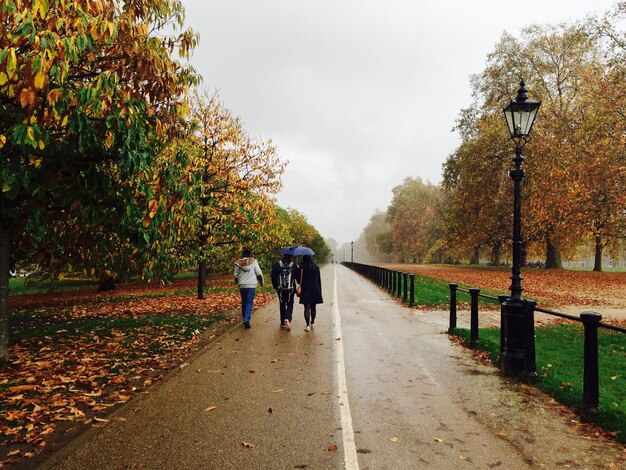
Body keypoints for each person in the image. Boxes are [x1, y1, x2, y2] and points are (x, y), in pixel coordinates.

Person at [234, 247, 264, 329]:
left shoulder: (238, 263)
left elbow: (235, 275)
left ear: (243, 253)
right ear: (250, 254)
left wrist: (237, 283)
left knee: (244, 301)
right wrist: (261, 283)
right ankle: (246, 319)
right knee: (249, 302)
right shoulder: (254, 262)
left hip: (242, 285)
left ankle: (245, 317)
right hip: (251, 285)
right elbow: (259, 274)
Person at [271, 253, 299, 330]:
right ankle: (288, 319)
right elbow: (298, 277)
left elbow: (273, 276)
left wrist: (275, 286)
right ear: (291, 256)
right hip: (291, 289)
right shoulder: (293, 265)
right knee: (290, 304)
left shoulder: (277, 264)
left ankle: (283, 323)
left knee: (282, 304)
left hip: (280, 289)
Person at [298, 255, 323, 331]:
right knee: (313, 307)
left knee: (306, 307)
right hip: (315, 288)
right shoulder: (316, 267)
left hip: (306, 289)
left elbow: (299, 279)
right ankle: (312, 322)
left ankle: (307, 325)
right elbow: (319, 279)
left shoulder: (302, 267)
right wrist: (319, 291)